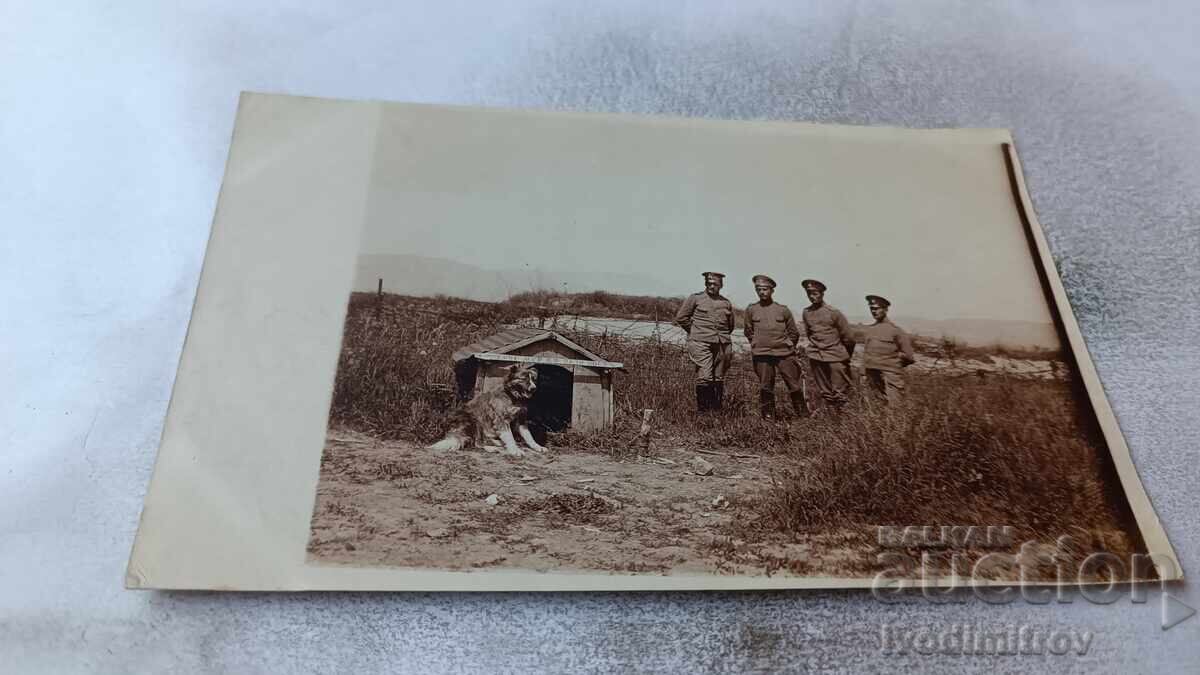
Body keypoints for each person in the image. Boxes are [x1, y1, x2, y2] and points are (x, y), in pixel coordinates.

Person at [744, 274, 808, 419]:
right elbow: (748, 331)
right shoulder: (751, 309)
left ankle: (803, 417)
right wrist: (757, 343)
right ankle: (768, 418)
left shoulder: (782, 310)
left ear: (772, 290)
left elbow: (793, 333)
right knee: (765, 385)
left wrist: (787, 346)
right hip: (762, 354)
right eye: (759, 289)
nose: (762, 292)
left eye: (765, 289)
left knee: (793, 384)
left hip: (784, 353)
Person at [673, 272, 735, 412]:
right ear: (705, 284)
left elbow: (730, 325)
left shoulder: (726, 302)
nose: (711, 286)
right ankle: (703, 412)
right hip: (700, 343)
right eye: (709, 283)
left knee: (718, 377)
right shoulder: (695, 298)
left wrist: (722, 336)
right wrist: (696, 332)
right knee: (705, 376)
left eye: (715, 284)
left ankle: (716, 411)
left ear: (721, 285)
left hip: (722, 343)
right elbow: (681, 318)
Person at [801, 279, 856, 412]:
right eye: (809, 293)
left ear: (822, 293)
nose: (812, 296)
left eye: (815, 293)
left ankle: (844, 420)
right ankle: (831, 419)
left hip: (835, 357)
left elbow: (849, 338)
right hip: (817, 357)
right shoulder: (806, 312)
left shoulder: (834, 313)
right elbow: (810, 334)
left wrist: (844, 356)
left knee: (840, 392)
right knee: (825, 392)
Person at [861, 294, 915, 405]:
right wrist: (863, 373)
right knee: (875, 406)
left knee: (895, 407)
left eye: (876, 308)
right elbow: (866, 353)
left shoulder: (896, 331)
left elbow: (909, 356)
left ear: (885, 309)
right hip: (872, 374)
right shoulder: (870, 329)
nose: (873, 311)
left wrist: (892, 364)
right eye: (871, 308)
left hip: (891, 376)